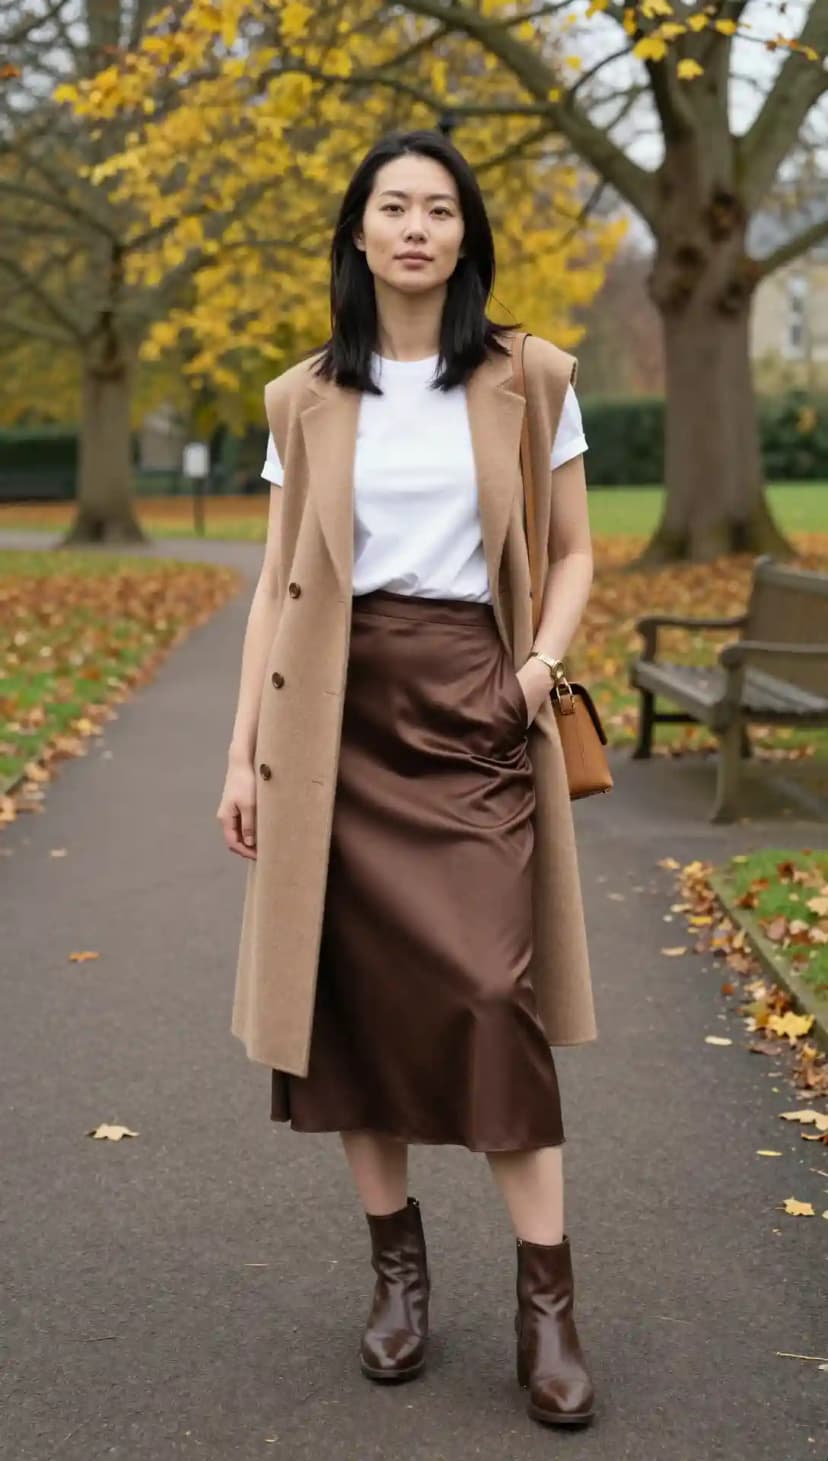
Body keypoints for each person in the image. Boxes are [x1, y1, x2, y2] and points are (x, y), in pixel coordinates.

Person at [217, 127, 598, 1429]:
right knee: (354, 1007)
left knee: (495, 990)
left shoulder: (531, 376)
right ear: (361, 231)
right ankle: (398, 1271)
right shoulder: (304, 397)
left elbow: (577, 551)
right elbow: (278, 584)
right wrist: (241, 757)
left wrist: (539, 669)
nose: (418, 227)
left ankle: (549, 1304)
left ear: (465, 234)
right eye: (395, 206)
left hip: (479, 707)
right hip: (333, 717)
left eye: (441, 208)